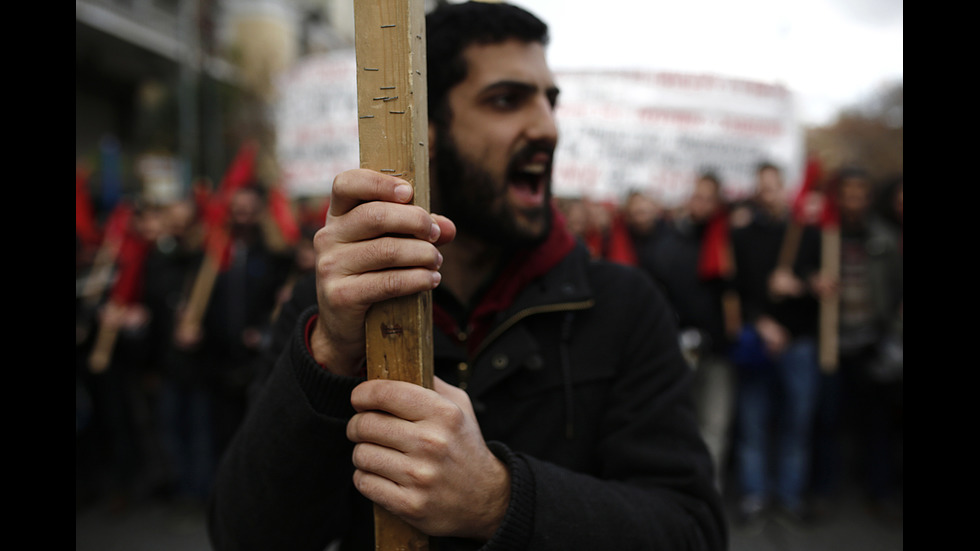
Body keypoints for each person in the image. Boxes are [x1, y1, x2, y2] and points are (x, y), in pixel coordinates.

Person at [208, 3, 726, 550]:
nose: (547, 128)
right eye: (506, 100)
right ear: (423, 131)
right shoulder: (330, 312)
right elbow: (242, 535)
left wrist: (499, 500)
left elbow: (691, 531)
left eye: (550, 102)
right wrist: (331, 356)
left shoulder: (624, 307)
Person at [728, 161, 824, 526]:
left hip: (799, 344)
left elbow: (823, 289)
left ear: (784, 189)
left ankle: (789, 495)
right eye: (762, 188)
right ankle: (754, 494)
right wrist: (762, 322)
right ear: (756, 192)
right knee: (753, 422)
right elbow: (735, 289)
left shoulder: (808, 235)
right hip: (759, 340)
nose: (768, 194)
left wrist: (799, 286)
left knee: (795, 425)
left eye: (774, 187)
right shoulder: (743, 235)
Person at [810, 168, 903, 520]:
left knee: (876, 424)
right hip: (831, 344)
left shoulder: (884, 238)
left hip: (872, 343)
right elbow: (802, 273)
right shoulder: (822, 236)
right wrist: (812, 281)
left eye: (860, 194)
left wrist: (890, 333)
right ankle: (823, 491)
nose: (853, 201)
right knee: (827, 420)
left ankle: (879, 492)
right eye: (846, 194)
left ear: (868, 199)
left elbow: (897, 292)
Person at [646, 172, 737, 491]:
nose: (700, 203)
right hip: (680, 348)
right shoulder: (671, 241)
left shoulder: (729, 241)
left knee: (715, 424)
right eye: (697, 195)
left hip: (720, 351)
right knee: (680, 423)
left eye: (708, 197)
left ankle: (707, 492)